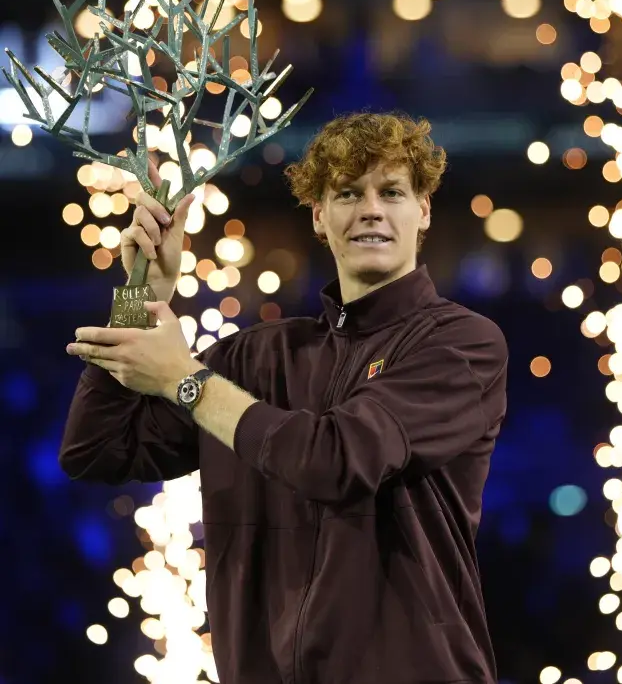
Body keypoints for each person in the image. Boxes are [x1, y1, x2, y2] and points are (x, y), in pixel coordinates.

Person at [60, 111, 508, 684]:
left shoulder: (461, 343)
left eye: (391, 191)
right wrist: (139, 296)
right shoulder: (255, 358)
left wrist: (185, 380)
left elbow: (334, 460)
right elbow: (95, 451)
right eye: (347, 192)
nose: (371, 208)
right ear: (320, 216)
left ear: (423, 210)